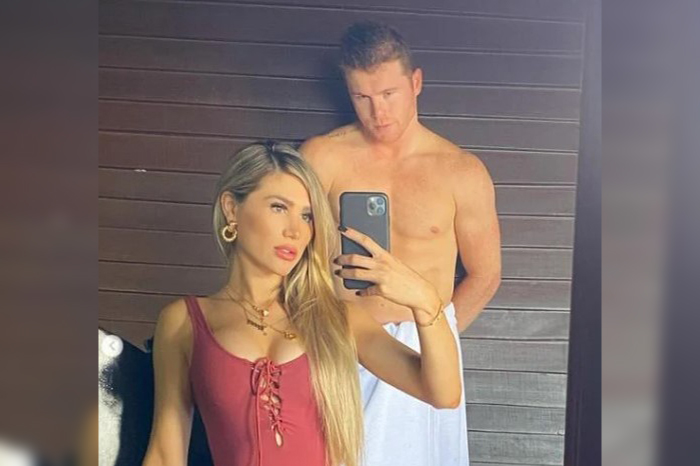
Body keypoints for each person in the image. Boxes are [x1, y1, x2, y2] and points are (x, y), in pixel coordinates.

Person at [141, 141, 462, 466]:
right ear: (232, 209)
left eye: (307, 216)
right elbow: (166, 454)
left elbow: (443, 393)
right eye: (279, 207)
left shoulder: (340, 319)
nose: (295, 231)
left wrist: (425, 301)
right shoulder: (183, 322)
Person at [300, 21, 502, 466]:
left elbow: (486, 275)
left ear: (416, 82)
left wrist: (434, 338)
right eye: (362, 97)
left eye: (389, 94)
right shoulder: (321, 156)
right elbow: (291, 254)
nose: (378, 112)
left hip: (422, 351)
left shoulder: (461, 171)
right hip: (343, 342)